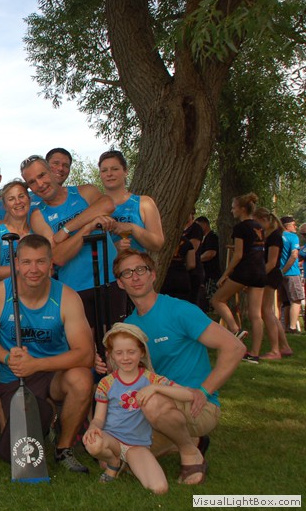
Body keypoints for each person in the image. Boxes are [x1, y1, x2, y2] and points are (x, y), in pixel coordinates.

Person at [111, 249, 246, 484]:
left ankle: (189, 452)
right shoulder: (129, 327)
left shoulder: (180, 311)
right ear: (120, 283)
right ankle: (189, 440)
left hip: (196, 404)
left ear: (153, 274)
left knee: (152, 402)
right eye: (127, 273)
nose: (135, 277)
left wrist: (204, 391)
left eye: (141, 269)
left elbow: (235, 348)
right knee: (113, 456)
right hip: (158, 408)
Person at [0, 234, 95, 473]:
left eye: (41, 262)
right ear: (16, 263)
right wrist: (8, 357)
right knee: (10, 452)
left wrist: (37, 364)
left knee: (82, 379)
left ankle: (64, 448)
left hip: (53, 372)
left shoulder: (67, 297)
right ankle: (49, 416)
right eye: (27, 262)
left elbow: (85, 355)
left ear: (51, 264)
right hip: (15, 375)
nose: (34, 269)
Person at [21, 155, 124, 342]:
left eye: (42, 175)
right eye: (32, 182)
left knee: (118, 345)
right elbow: (58, 257)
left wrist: (65, 231)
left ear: (52, 171)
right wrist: (87, 226)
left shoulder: (84, 191)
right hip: (75, 290)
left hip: (111, 280)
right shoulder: (38, 216)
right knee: (88, 351)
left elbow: (108, 204)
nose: (40, 184)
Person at [84, 323, 193, 493]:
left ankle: (128, 462)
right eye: (119, 353)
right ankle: (113, 463)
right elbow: (99, 418)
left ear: (141, 352)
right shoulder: (107, 383)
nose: (125, 358)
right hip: (112, 440)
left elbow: (188, 395)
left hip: (137, 445)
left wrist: (155, 388)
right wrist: (93, 427)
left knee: (159, 488)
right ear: (111, 354)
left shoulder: (151, 379)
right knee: (94, 444)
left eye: (131, 352)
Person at [211, 192, 265, 362]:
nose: (231, 210)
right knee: (256, 315)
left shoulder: (240, 228)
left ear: (242, 209)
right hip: (260, 272)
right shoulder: (259, 227)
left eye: (233, 207)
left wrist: (225, 275)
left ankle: (235, 330)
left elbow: (238, 255)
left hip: (245, 271)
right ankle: (254, 354)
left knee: (217, 300)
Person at [98, 150, 164, 253]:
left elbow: (157, 244)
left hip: (136, 262)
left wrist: (132, 228)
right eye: (104, 170)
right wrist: (113, 249)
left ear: (126, 171)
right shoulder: (93, 206)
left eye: (115, 169)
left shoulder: (144, 203)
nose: (109, 174)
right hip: (107, 264)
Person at [253, 208, 294, 359]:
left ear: (264, 220)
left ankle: (275, 350)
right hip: (270, 275)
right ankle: (284, 346)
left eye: (256, 222)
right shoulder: (269, 236)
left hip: (271, 276)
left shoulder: (275, 237)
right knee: (268, 312)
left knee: (266, 311)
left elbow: (271, 263)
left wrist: (256, 276)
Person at [0, 180, 32, 282]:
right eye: (11, 199)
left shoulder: (36, 232)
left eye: (21, 196)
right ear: (5, 205)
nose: (18, 202)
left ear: (29, 199)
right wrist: (21, 267)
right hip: (5, 290)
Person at [279, 216, 303, 333]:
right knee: (296, 300)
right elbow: (294, 255)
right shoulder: (293, 237)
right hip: (292, 273)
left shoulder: (276, 237)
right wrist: (285, 270)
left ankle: (284, 327)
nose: (296, 227)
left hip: (279, 274)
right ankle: (293, 327)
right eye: (293, 224)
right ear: (287, 226)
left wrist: (281, 271)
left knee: (285, 302)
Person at [195, 216, 220, 310]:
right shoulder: (204, 238)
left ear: (205, 224)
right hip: (205, 275)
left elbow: (210, 253)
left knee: (211, 298)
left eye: (198, 225)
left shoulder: (212, 236)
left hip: (211, 274)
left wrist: (197, 259)